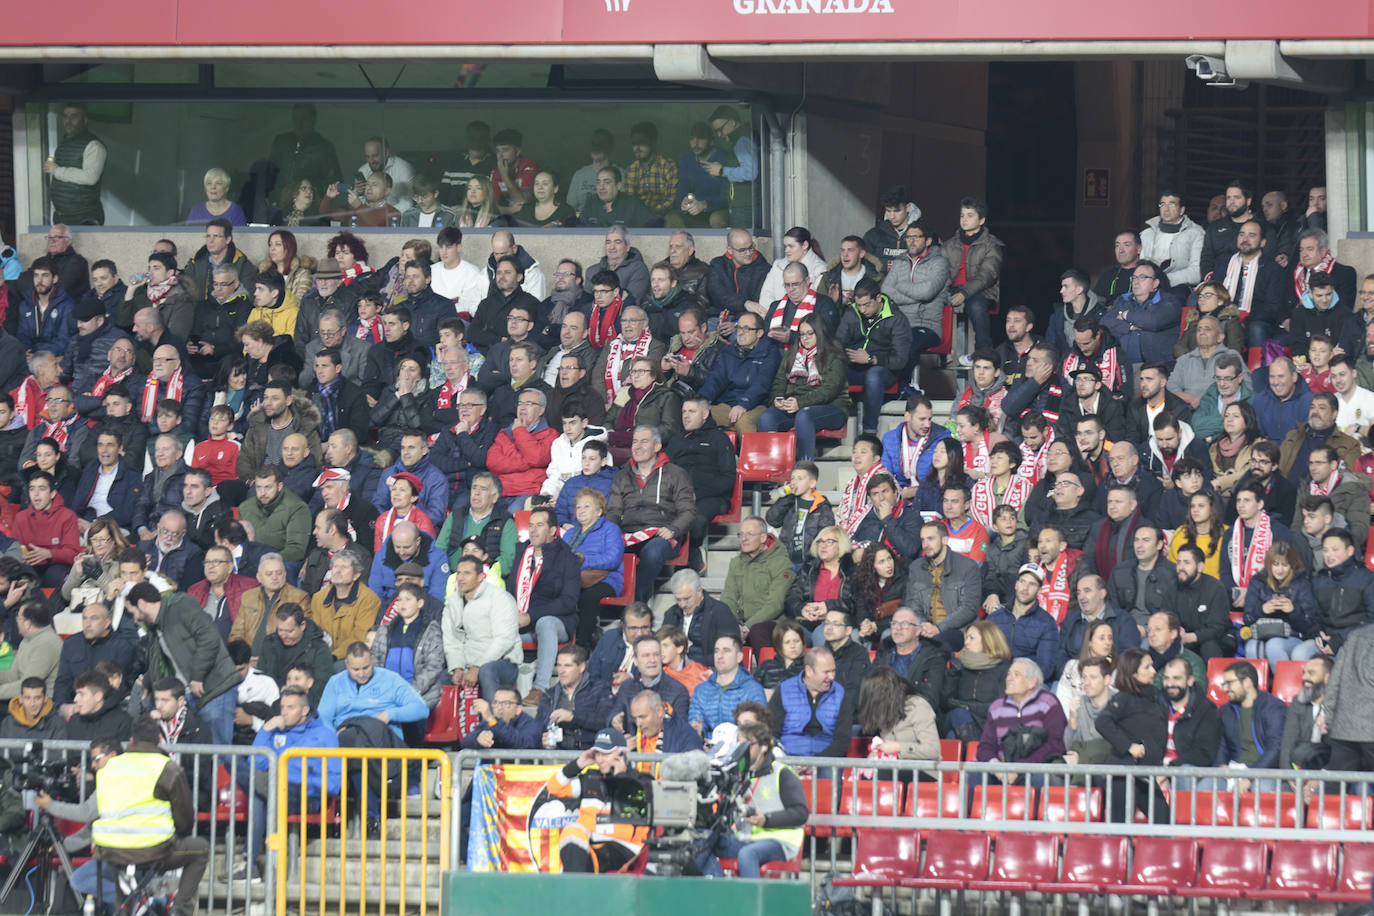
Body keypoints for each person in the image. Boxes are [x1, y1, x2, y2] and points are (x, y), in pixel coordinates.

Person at [40, 719, 210, 916]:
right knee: (200, 850)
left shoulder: (109, 770)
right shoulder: (166, 767)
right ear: (158, 741)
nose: (94, 765)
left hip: (112, 851)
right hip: (152, 850)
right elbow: (186, 819)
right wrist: (177, 833)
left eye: (96, 759)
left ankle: (141, 902)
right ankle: (178, 907)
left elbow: (92, 815)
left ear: (130, 740)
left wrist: (51, 808)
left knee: (108, 881)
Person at [606, 425, 696, 603]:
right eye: (635, 442)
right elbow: (614, 511)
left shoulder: (676, 474)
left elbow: (689, 511)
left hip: (661, 535)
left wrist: (673, 529)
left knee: (653, 551)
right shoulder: (621, 475)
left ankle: (634, 604)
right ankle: (608, 600)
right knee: (605, 549)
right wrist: (610, 534)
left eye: (644, 441)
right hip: (629, 533)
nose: (637, 446)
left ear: (657, 446)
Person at [543, 727, 649, 874]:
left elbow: (628, 829)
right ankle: (574, 886)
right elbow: (554, 787)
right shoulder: (591, 778)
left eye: (606, 753)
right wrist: (579, 764)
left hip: (623, 850)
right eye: (597, 753)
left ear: (622, 753)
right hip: (591, 847)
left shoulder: (640, 781)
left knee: (580, 857)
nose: (600, 759)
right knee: (571, 832)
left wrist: (620, 777)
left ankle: (573, 888)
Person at [510, 507, 581, 707]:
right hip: (522, 624)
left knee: (545, 623)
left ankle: (540, 688)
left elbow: (568, 601)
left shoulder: (567, 558)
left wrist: (531, 616)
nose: (533, 530)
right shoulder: (522, 552)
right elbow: (510, 590)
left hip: (558, 623)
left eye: (539, 525)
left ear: (552, 531)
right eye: (531, 525)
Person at [758, 315, 852, 461]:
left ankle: (805, 469)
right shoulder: (792, 354)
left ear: (820, 333)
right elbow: (779, 382)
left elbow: (829, 390)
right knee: (767, 417)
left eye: (810, 334)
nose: (805, 338)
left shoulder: (834, 356)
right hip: (796, 406)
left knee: (804, 415)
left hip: (832, 407)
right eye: (801, 334)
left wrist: (800, 403)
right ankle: (772, 471)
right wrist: (778, 399)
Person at [1096, 649, 1168, 823]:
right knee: (1118, 826)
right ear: (1133, 672)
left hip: (1145, 773)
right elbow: (1102, 722)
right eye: (1147, 667)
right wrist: (1128, 746)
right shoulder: (1123, 698)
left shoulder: (1155, 697)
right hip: (1122, 772)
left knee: (1164, 820)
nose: (1154, 671)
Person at [442, 555, 522, 701]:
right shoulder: (452, 603)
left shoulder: (500, 598)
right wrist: (457, 668)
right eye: (458, 573)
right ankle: (447, 724)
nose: (460, 578)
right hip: (467, 663)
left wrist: (477, 667)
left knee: (487, 671)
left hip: (502, 662)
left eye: (467, 573)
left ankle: (494, 723)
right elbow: (451, 642)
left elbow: (504, 640)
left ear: (480, 577)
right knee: (441, 677)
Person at [837, 279, 912, 435]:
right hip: (854, 366)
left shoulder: (897, 319)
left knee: (873, 375)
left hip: (884, 369)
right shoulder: (852, 313)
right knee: (831, 369)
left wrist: (871, 359)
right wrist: (844, 355)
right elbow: (837, 343)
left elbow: (900, 360)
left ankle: (869, 431)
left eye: (867, 305)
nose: (862, 310)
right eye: (859, 305)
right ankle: (832, 423)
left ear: (878, 298)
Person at [975, 658, 1066, 779]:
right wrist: (996, 768)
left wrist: (1020, 769)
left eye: (1016, 675)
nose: (1008, 678)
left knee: (1041, 778)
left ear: (1032, 682)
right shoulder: (996, 707)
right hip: (1002, 770)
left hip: (1036, 768)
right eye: (1008, 674)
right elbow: (985, 747)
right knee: (972, 774)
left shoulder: (1048, 702)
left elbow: (1054, 744)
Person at [560, 488, 624, 648]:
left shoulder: (610, 529)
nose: (581, 511)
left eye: (586, 506)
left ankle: (580, 647)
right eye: (578, 507)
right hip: (574, 579)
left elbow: (613, 559)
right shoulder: (569, 534)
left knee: (587, 596)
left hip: (606, 579)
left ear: (599, 511)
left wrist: (583, 560)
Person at [941, 197, 1004, 356]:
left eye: (970, 215)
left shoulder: (992, 245)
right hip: (952, 289)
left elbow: (987, 275)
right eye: (962, 215)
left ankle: (983, 352)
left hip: (980, 291)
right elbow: (941, 272)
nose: (964, 219)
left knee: (976, 306)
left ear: (981, 220)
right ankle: (941, 351)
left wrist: (964, 292)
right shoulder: (949, 244)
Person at [722, 516, 794, 652]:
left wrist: (747, 627)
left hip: (774, 623)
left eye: (749, 534)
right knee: (717, 626)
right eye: (741, 534)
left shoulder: (781, 563)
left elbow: (775, 604)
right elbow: (728, 598)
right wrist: (735, 625)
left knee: (757, 631)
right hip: (742, 624)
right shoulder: (736, 563)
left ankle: (767, 671)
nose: (744, 538)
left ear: (763, 538)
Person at [904, 521, 982, 648]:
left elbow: (969, 608)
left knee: (934, 645)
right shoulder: (916, 567)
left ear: (945, 540)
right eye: (923, 540)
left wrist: (939, 628)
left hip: (958, 630)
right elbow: (913, 603)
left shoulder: (968, 567)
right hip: (924, 629)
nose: (926, 545)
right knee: (891, 640)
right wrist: (924, 626)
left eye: (931, 539)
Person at [768, 646, 854, 759]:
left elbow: (842, 740)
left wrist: (816, 762)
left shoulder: (840, 694)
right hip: (788, 758)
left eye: (833, 671)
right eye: (826, 672)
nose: (832, 677)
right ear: (808, 671)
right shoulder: (784, 690)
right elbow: (771, 732)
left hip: (827, 761)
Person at [1215, 661, 1288, 791]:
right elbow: (1222, 744)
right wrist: (1221, 764)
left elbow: (1275, 749)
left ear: (1247, 682)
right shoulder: (1226, 710)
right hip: (1233, 770)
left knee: (1263, 788)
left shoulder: (1274, 707)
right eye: (1224, 684)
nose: (1225, 689)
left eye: (1230, 683)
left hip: (1265, 771)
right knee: (1205, 785)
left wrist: (1250, 776)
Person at [535, 645, 613, 751]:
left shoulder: (599, 689)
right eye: (559, 665)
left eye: (567, 666)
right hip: (557, 756)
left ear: (582, 667)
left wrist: (573, 717)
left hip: (591, 755)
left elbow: (607, 721)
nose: (561, 671)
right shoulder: (549, 695)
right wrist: (541, 740)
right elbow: (537, 728)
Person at [689, 633, 768, 736]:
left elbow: (760, 730)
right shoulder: (701, 690)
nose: (719, 656)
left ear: (739, 657)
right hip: (707, 748)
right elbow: (696, 722)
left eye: (726, 651)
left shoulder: (752, 689)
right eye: (716, 651)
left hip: (741, 747)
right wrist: (697, 732)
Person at [660, 569, 742, 667]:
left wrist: (692, 665)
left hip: (711, 671)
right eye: (678, 599)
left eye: (687, 599)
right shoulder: (671, 614)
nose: (682, 604)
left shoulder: (720, 612)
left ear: (699, 591)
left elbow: (730, 652)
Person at [257, 605, 334, 708]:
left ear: (302, 626)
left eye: (289, 631)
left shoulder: (318, 648)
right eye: (280, 630)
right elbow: (261, 678)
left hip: (304, 704)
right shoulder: (269, 644)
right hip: (270, 701)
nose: (283, 635)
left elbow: (321, 686)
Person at [311, 550, 381, 659]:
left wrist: (334, 656)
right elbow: (315, 633)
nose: (337, 571)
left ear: (356, 575)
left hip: (352, 656)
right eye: (335, 567)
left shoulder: (369, 599)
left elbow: (359, 636)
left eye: (344, 567)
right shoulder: (318, 598)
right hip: (321, 656)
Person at [1141, 187, 1205, 289]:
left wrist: (1162, 280)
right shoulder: (1147, 234)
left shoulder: (1196, 234)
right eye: (1162, 204)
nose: (1166, 209)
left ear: (1181, 210)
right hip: (1146, 286)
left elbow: (1196, 272)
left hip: (1178, 287)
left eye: (1171, 204)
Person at [1279, 657, 1332, 773]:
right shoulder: (1298, 703)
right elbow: (1287, 744)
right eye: (1304, 673)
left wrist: (1321, 778)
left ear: (1327, 678)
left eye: (1311, 673)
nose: (1304, 678)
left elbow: (1341, 752)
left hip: (1331, 773)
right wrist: (1291, 775)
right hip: (1299, 769)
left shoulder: (1340, 706)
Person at [752, 620, 808, 697]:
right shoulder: (766, 666)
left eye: (796, 641)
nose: (792, 646)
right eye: (787, 642)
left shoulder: (808, 668)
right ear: (778, 644)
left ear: (803, 643)